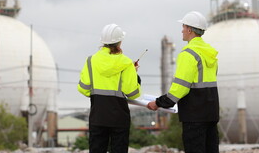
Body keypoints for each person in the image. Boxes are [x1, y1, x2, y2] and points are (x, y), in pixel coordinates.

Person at [147, 11, 219, 153]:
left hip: (194, 116)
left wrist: (158, 103)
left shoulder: (188, 54)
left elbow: (180, 88)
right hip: (211, 114)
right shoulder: (209, 53)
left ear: (190, 29)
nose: (182, 30)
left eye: (183, 27)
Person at [78, 23, 141, 153]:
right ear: (120, 42)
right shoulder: (126, 63)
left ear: (103, 42)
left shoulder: (91, 61)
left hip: (98, 117)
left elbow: (83, 88)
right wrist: (134, 74)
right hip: (119, 119)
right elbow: (133, 93)